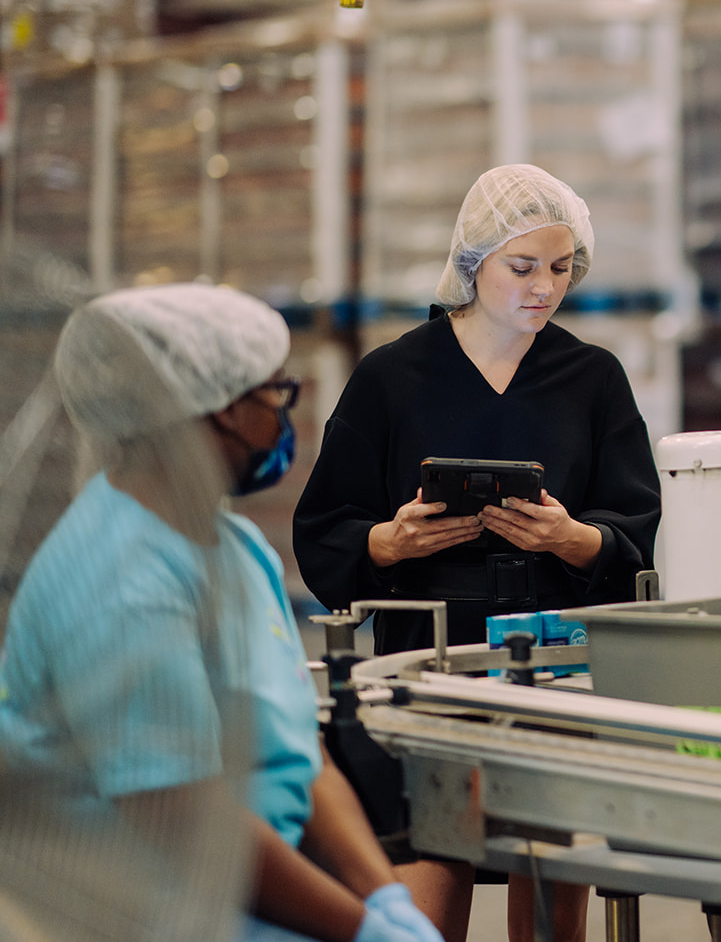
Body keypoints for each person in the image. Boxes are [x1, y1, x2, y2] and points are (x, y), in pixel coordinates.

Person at [0, 283, 444, 942]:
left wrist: (386, 899)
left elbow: (300, 751)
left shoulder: (228, 546)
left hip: (252, 894)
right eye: (276, 395)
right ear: (220, 411)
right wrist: (359, 931)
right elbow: (184, 817)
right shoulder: (120, 578)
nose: (285, 419)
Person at [292, 164, 662, 942]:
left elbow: (636, 527)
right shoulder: (392, 378)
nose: (544, 288)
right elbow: (326, 523)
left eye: (561, 268)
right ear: (472, 263)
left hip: (556, 675)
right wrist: (388, 542)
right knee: (425, 903)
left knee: (548, 897)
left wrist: (574, 537)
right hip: (426, 675)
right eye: (522, 267)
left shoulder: (592, 378)